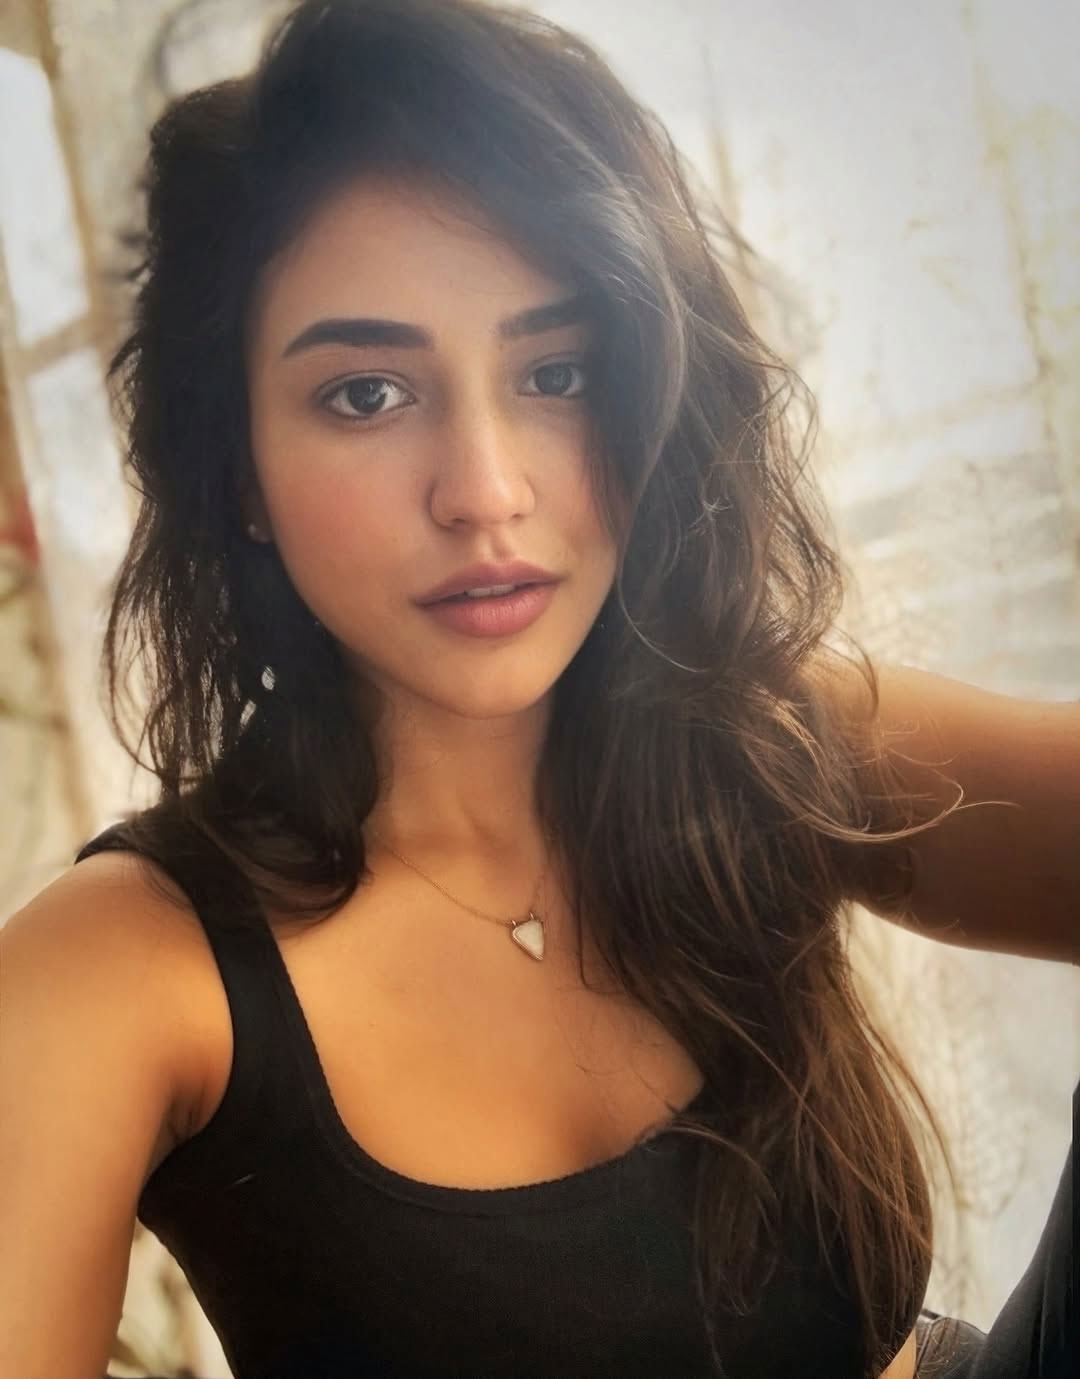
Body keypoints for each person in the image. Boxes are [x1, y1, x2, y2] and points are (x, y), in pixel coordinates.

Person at [0, 1, 1075, 1376]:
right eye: (367, 396)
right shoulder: (124, 973)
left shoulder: (763, 736)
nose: (486, 491)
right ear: (239, 468)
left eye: (556, 373)